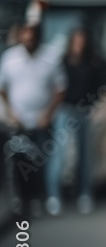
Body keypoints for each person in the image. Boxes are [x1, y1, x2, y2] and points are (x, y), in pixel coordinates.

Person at [0, 23, 66, 215]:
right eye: (25, 35)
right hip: (18, 122)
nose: (28, 39)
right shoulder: (10, 58)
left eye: (32, 36)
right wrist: (11, 113)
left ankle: (42, 197)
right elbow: (2, 88)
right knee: (19, 162)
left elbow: (60, 89)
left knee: (41, 162)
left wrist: (48, 114)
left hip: (42, 121)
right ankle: (22, 200)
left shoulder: (50, 57)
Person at [52, 29, 106, 214]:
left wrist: (99, 101)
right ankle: (54, 196)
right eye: (76, 41)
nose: (79, 45)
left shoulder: (92, 61)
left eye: (82, 41)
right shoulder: (63, 62)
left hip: (85, 112)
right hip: (65, 111)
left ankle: (85, 194)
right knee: (60, 156)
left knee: (85, 155)